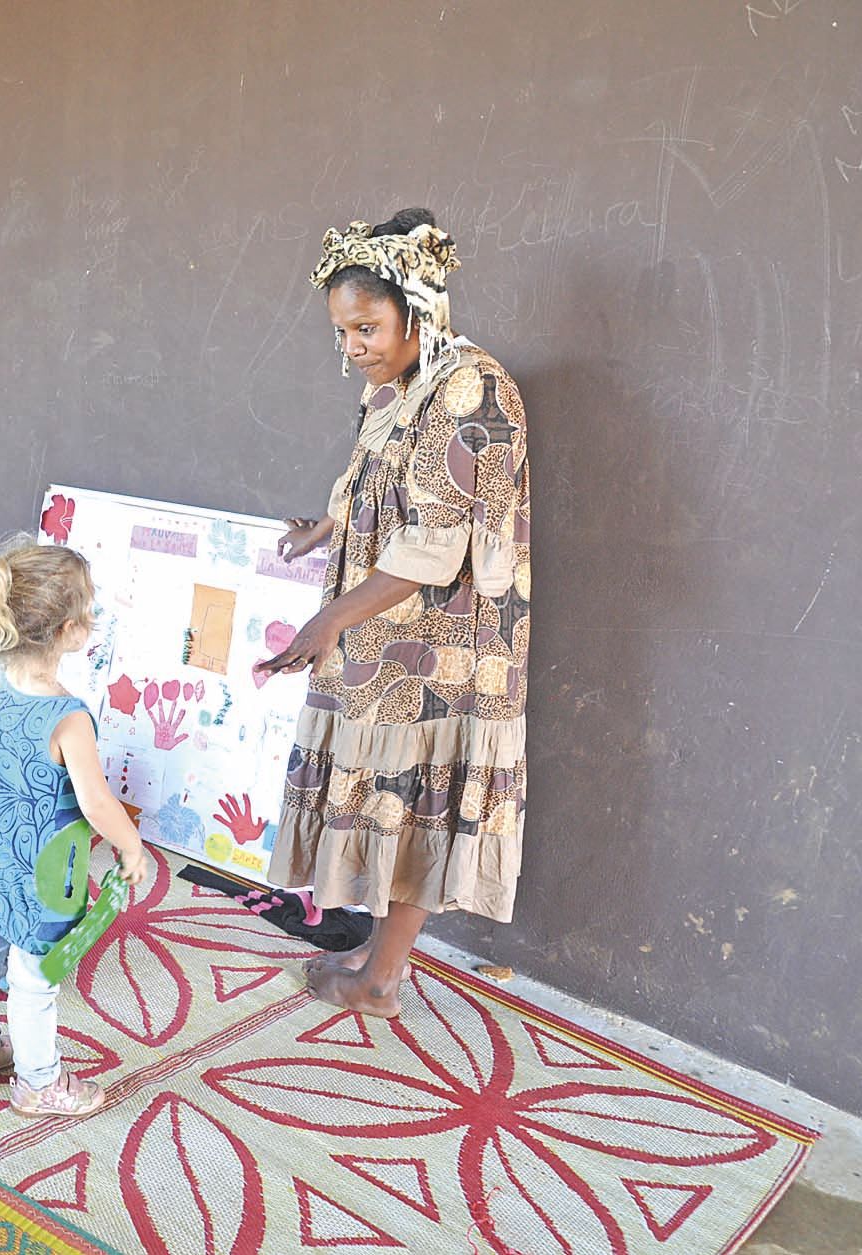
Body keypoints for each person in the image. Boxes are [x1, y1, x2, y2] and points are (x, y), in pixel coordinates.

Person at [256, 208, 531, 1019]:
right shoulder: (398, 389)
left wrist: (332, 618)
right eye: (342, 333)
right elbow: (386, 496)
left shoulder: (472, 389)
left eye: (368, 327)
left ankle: (382, 978)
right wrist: (328, 527)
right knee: (391, 795)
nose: (354, 348)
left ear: (421, 307)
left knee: (416, 794)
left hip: (444, 647)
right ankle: (379, 952)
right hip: (389, 636)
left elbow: (436, 547)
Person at [0, 541, 150, 1117]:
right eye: (90, 612)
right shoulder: (67, 716)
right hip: (46, 871)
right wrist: (132, 845)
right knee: (33, 981)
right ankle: (39, 1081)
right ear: (70, 630)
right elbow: (98, 805)